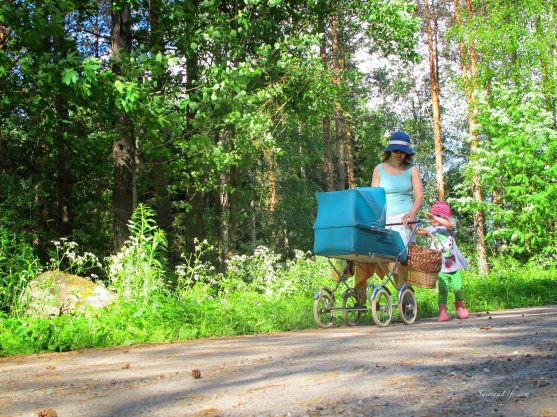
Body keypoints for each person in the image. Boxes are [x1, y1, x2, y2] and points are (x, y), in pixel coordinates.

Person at [354, 131, 424, 304]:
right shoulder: (379, 169)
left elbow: (419, 196)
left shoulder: (411, 169)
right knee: (384, 259)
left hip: (404, 219)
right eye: (396, 151)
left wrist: (412, 212)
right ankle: (403, 293)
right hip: (384, 218)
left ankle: (404, 295)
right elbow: (373, 196)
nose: (399, 154)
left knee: (399, 257)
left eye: (403, 152)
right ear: (390, 151)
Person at [420, 201, 470, 321]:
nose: (434, 219)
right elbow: (419, 231)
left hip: (454, 266)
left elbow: (448, 224)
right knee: (443, 289)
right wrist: (409, 225)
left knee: (458, 287)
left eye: (438, 216)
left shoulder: (449, 227)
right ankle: (442, 312)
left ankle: (460, 306)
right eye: (432, 217)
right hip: (440, 267)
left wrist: (436, 217)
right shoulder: (432, 229)